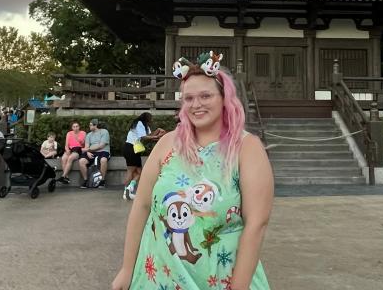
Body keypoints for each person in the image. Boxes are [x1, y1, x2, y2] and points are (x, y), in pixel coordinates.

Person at [110, 55, 272, 290]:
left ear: (225, 98)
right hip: (158, 277)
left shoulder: (246, 148)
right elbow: (142, 206)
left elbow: (256, 223)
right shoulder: (167, 143)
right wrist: (127, 269)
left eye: (206, 96)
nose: (196, 105)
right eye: (189, 98)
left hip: (220, 279)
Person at [122, 112, 165, 201]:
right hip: (131, 148)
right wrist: (157, 136)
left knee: (138, 172)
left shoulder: (145, 126)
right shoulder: (139, 123)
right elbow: (143, 137)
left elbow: (149, 136)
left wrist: (158, 132)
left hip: (135, 149)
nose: (151, 120)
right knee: (131, 171)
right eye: (151, 118)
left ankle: (129, 190)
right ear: (146, 118)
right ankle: (126, 191)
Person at [78, 118, 110, 189]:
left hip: (103, 151)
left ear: (95, 125)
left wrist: (88, 150)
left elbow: (101, 146)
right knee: (81, 161)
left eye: (90, 125)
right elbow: (86, 146)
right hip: (91, 152)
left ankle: (102, 180)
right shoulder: (89, 135)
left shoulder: (104, 132)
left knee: (103, 160)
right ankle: (86, 180)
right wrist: (88, 151)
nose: (89, 126)